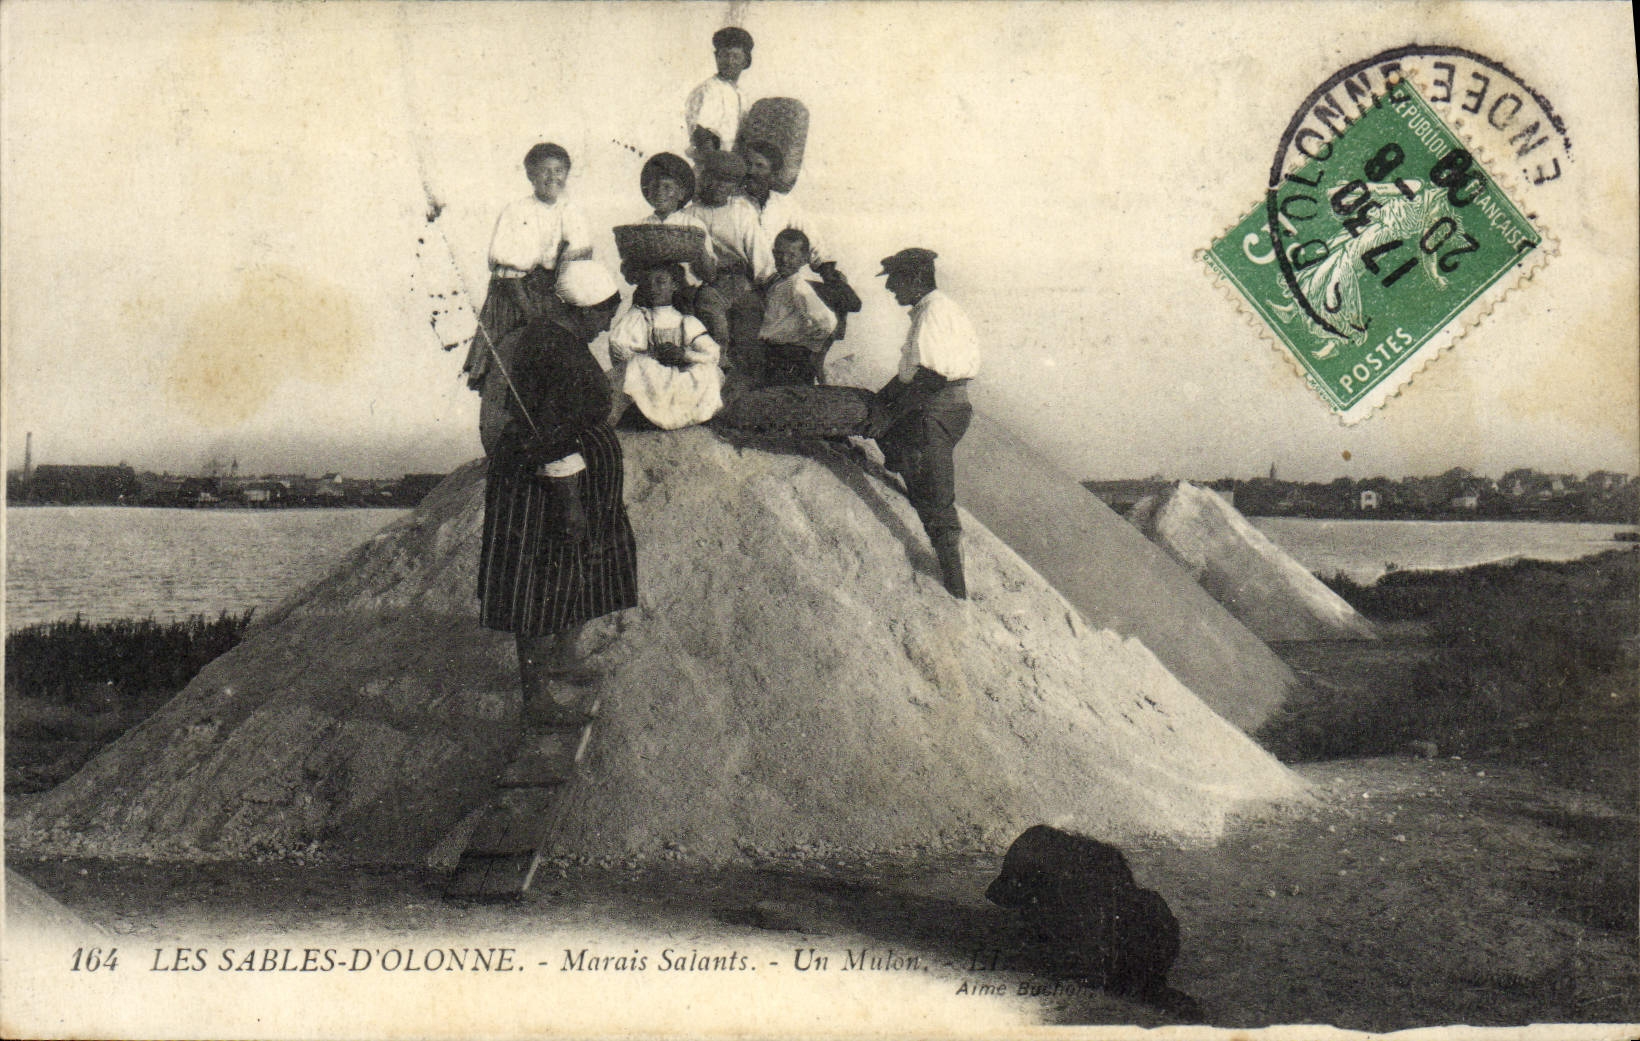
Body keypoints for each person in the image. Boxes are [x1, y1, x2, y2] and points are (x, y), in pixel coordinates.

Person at [477, 260, 635, 730]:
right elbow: (552, 436)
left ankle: (563, 656)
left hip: (573, 478)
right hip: (544, 486)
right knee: (537, 585)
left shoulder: (556, 338)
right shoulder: (556, 352)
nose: (607, 324)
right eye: (605, 313)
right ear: (585, 309)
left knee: (581, 571)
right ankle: (536, 700)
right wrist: (569, 504)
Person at [463, 142, 595, 453]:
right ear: (530, 175)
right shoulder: (516, 211)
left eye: (559, 171)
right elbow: (508, 270)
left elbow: (577, 260)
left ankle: (557, 432)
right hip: (513, 294)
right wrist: (529, 310)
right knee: (510, 361)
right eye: (545, 171)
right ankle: (507, 437)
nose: (553, 177)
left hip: (552, 293)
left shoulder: (572, 211)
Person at [866, 248, 980, 599]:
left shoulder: (932, 313)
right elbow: (910, 374)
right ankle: (913, 486)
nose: (890, 289)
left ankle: (955, 585)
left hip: (937, 409)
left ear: (915, 279)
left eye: (894, 281)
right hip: (944, 405)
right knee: (897, 442)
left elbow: (929, 377)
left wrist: (889, 411)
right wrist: (879, 400)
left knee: (936, 493)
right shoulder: (935, 309)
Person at [743, 139, 861, 350]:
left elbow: (813, 240)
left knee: (832, 297)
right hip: (748, 280)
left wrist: (828, 271)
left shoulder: (784, 205)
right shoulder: (735, 203)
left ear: (773, 172)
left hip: (781, 279)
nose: (751, 171)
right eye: (748, 164)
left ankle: (811, 354)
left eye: (759, 166)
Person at [683, 149, 773, 388]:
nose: (719, 186)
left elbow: (758, 250)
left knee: (749, 328)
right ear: (704, 179)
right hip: (709, 283)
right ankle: (715, 380)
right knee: (716, 328)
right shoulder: (690, 214)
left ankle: (745, 387)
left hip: (741, 281)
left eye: (728, 181)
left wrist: (764, 282)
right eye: (714, 179)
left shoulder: (741, 213)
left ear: (735, 186)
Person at [607, 262, 725, 429]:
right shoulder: (640, 317)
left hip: (679, 377)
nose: (653, 288)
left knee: (710, 371)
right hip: (652, 376)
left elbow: (712, 354)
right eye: (648, 284)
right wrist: (652, 356)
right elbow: (619, 349)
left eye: (660, 282)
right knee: (638, 365)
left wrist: (684, 355)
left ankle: (686, 415)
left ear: (674, 286)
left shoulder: (686, 321)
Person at [632, 152, 729, 348]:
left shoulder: (693, 225)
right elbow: (630, 272)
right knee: (633, 323)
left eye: (667, 187)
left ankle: (719, 360)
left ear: (681, 194)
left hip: (687, 293)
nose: (660, 192)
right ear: (647, 192)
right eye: (655, 187)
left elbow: (709, 273)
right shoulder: (640, 227)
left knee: (712, 318)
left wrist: (697, 249)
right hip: (651, 291)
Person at [757, 228, 836, 386]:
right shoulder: (777, 281)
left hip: (789, 357)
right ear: (773, 253)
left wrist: (809, 345)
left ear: (804, 259)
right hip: (772, 352)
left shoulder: (798, 286)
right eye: (779, 253)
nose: (784, 259)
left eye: (792, 255)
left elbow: (827, 322)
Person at [684, 26, 753, 161]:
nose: (729, 62)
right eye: (724, 55)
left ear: (745, 61)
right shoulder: (708, 89)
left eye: (735, 56)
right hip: (712, 168)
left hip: (734, 169)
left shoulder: (743, 95)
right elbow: (702, 136)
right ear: (716, 57)